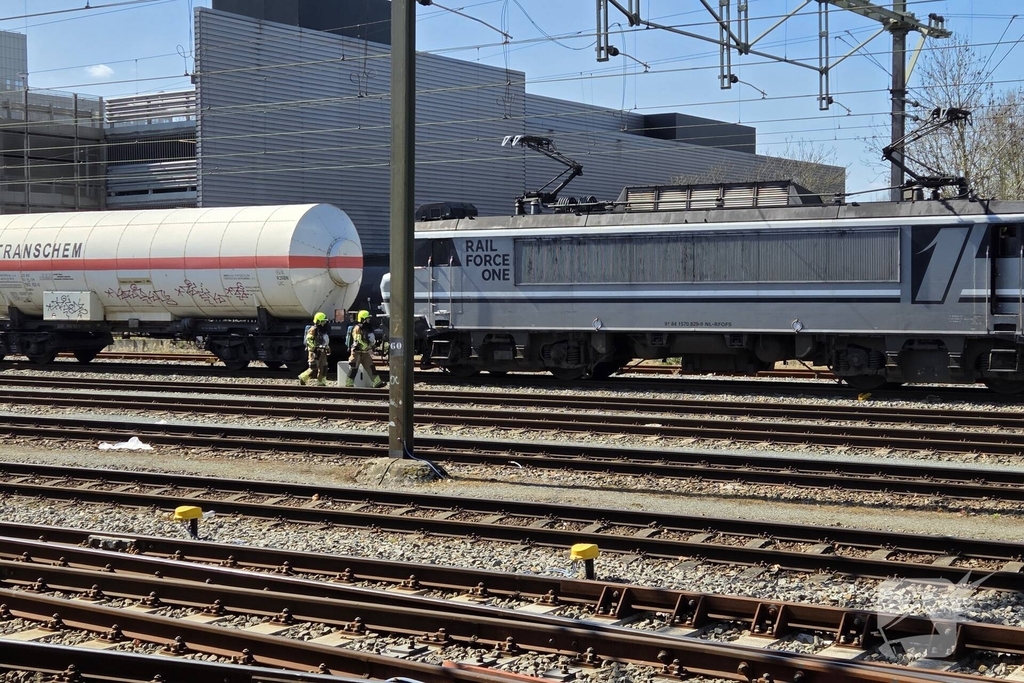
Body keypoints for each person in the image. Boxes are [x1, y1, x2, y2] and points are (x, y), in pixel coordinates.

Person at [346, 309, 384, 388]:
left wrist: (374, 348)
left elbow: (368, 340)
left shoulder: (366, 328)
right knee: (353, 369)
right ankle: (349, 385)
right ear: (363, 319)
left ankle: (377, 383)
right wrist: (366, 347)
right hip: (356, 353)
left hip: (365, 353)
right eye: (367, 318)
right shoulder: (357, 328)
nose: (368, 320)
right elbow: (358, 340)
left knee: (371, 368)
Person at [298, 311, 331, 386]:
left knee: (324, 367)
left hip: (323, 352)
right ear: (318, 322)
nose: (324, 324)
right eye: (323, 322)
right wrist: (314, 347)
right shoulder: (313, 330)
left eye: (325, 322)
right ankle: (303, 378)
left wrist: (327, 348)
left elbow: (324, 341)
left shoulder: (323, 331)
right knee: (313, 368)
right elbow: (308, 340)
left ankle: (321, 382)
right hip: (314, 352)